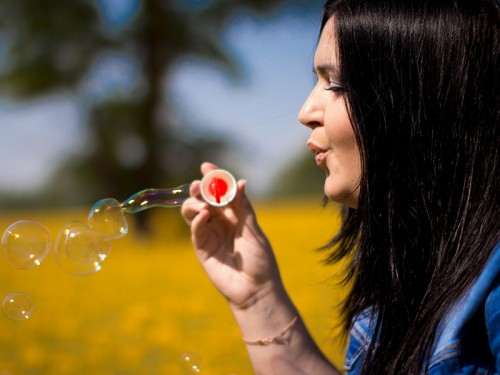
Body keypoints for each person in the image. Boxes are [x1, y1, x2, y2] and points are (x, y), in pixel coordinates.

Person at [181, 0, 499, 373]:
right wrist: (257, 297)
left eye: (335, 83)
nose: (305, 112)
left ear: (425, 100)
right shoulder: (413, 268)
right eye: (315, 81)